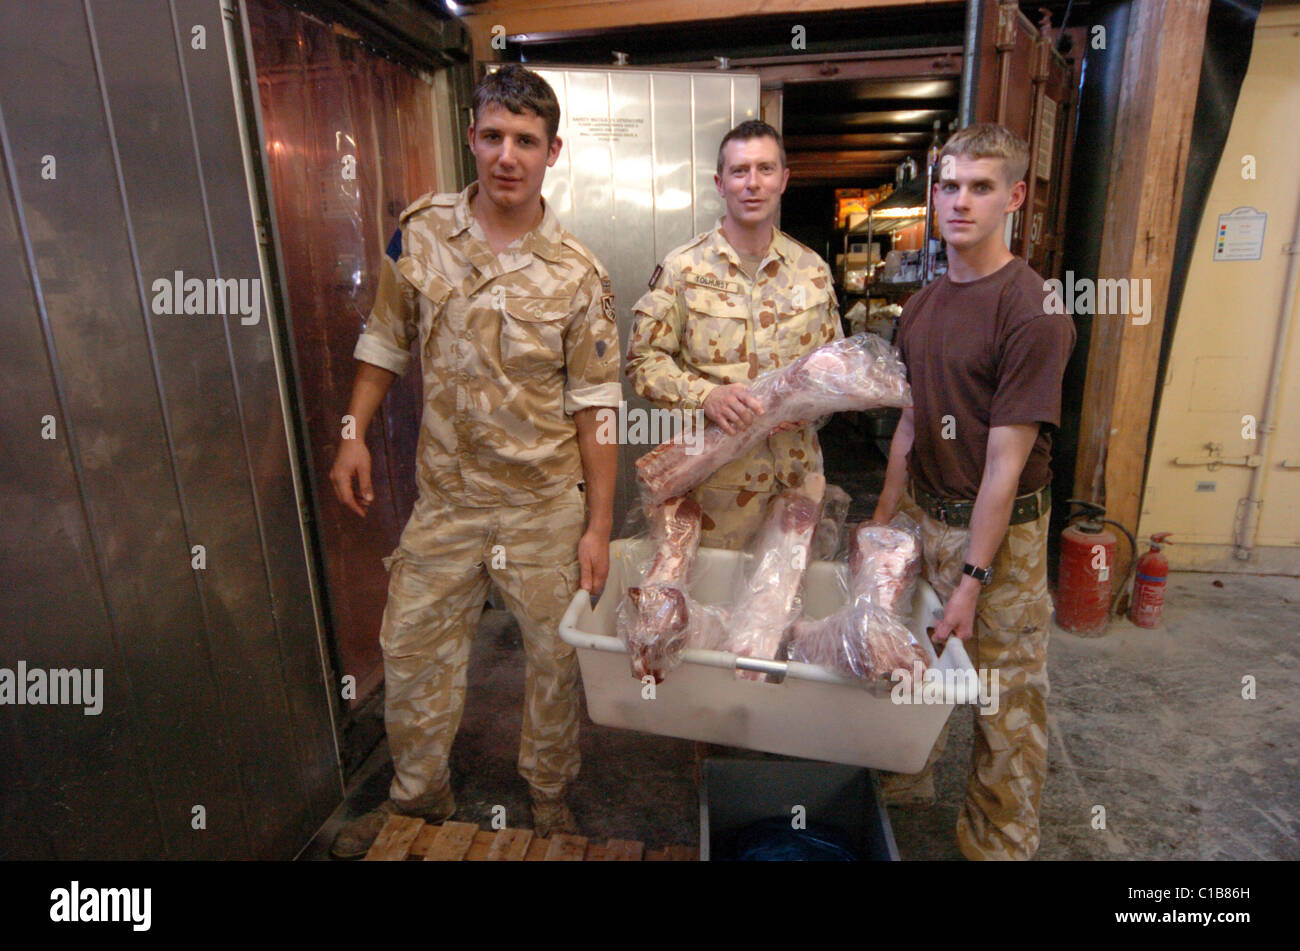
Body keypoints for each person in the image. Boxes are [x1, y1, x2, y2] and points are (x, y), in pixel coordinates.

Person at [327, 65, 621, 859]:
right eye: (493, 136)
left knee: (557, 663)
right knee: (413, 648)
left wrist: (598, 526)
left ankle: (550, 800)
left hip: (542, 505)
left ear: (552, 151)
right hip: (449, 500)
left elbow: (597, 407)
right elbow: (385, 339)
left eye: (526, 140)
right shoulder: (419, 234)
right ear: (471, 138)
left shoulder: (578, 275)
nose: (507, 155)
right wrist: (353, 431)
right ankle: (418, 804)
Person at [871, 123, 1076, 860]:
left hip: (1001, 539)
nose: (960, 202)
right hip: (928, 515)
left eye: (981, 187)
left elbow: (1005, 465)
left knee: (1004, 698)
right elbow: (909, 427)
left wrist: (971, 579)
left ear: (1014, 197)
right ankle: (901, 782)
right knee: (909, 667)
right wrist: (883, 525)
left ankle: (999, 842)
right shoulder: (921, 309)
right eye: (949, 185)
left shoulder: (1032, 310)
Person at [626, 119, 842, 549]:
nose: (752, 183)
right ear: (720, 183)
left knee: (786, 609)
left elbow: (836, 369)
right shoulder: (684, 269)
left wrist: (816, 403)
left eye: (765, 170)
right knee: (713, 605)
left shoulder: (812, 271)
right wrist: (706, 396)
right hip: (714, 498)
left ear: (784, 180)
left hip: (796, 488)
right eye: (739, 171)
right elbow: (642, 361)